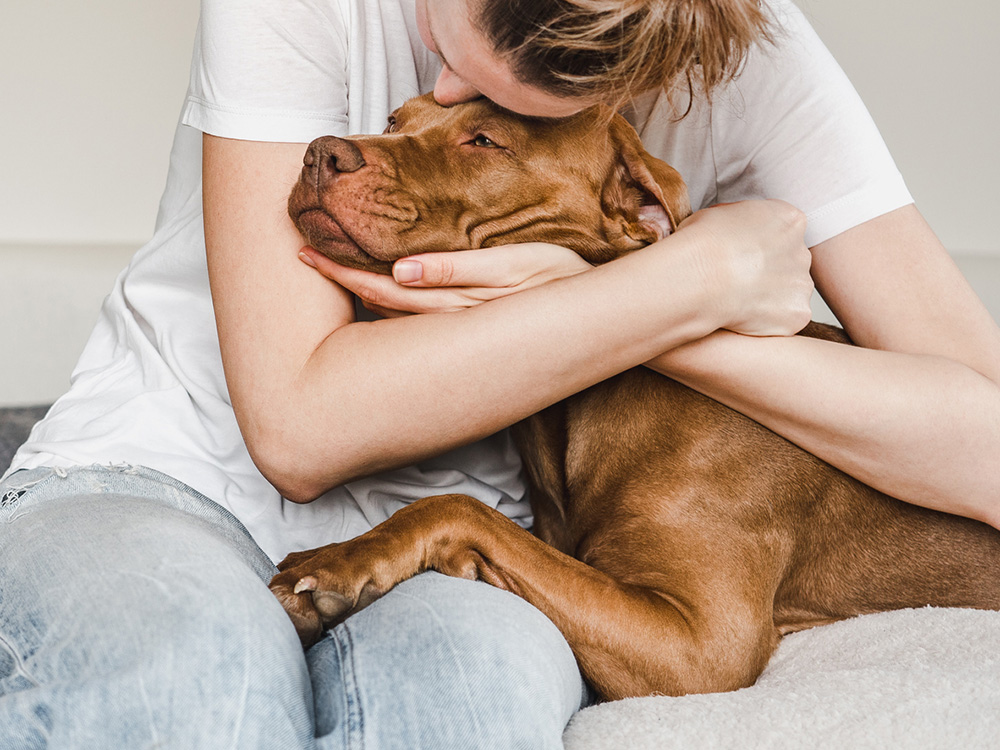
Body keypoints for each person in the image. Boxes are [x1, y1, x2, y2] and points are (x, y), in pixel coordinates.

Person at [2, 0, 998, 747]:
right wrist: (674, 284)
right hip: (165, 477)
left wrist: (663, 297)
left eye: (485, 126)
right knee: (195, 674)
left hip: (480, 532)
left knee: (472, 703)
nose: (432, 99)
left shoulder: (742, 57)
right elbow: (300, 428)